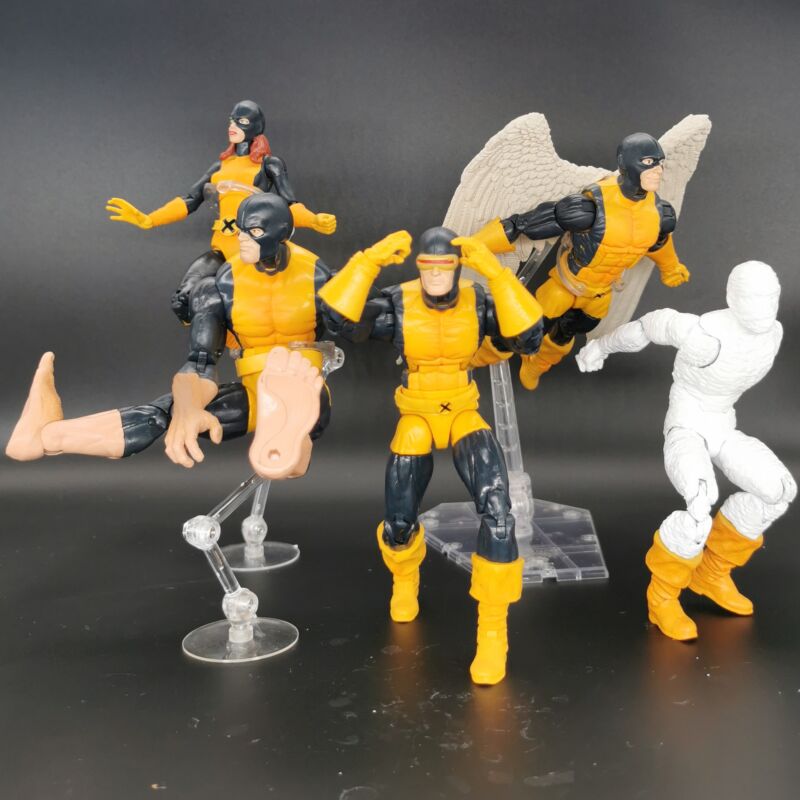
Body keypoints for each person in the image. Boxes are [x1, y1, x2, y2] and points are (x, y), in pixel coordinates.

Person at [319, 228, 543, 684]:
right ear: (418, 266)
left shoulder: (478, 302)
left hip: (462, 411)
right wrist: (367, 262)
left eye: (445, 267)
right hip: (417, 413)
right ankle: (404, 578)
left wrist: (497, 275)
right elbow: (336, 320)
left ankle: (493, 631)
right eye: (428, 267)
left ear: (457, 268)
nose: (436, 276)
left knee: (499, 514)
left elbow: (529, 337)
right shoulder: (398, 303)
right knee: (399, 520)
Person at [7, 194, 335, 480]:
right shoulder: (222, 284)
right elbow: (200, 361)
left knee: (303, 401)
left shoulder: (319, 276)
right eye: (239, 230)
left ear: (281, 232)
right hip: (253, 394)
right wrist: (189, 408)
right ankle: (47, 436)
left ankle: (292, 431)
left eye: (255, 232)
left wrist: (361, 281)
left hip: (306, 385)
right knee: (164, 413)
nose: (243, 240)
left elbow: (361, 326)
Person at [577, 261, 796, 640]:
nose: (763, 307)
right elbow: (647, 326)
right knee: (699, 505)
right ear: (733, 298)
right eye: (753, 298)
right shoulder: (703, 334)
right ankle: (662, 597)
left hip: (724, 426)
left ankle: (711, 574)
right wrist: (599, 347)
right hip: (687, 426)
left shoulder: (772, 333)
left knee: (778, 491)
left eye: (770, 297)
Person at [474, 132, 689, 389]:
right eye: (648, 162)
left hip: (600, 294)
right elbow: (524, 224)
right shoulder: (592, 207)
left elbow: (658, 243)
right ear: (625, 163)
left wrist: (670, 267)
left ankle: (537, 364)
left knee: (567, 333)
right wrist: (476, 244)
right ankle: (480, 358)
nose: (658, 170)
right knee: (527, 326)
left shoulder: (660, 213)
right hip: (566, 285)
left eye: (660, 163)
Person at [105, 100, 336, 323]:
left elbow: (288, 204)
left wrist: (313, 220)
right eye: (231, 120)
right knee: (184, 299)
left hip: (252, 248)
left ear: (255, 127)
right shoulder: (220, 166)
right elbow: (190, 199)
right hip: (221, 247)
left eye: (241, 121)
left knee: (250, 309)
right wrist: (149, 219)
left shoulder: (269, 164)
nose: (232, 125)